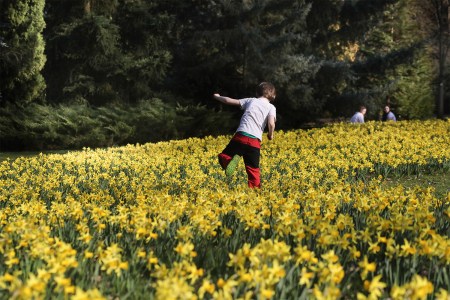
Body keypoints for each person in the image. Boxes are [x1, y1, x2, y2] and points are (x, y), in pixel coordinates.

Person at [213, 82, 276, 188]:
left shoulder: (251, 100)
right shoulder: (271, 107)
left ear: (257, 93)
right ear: (273, 96)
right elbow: (271, 123)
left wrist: (218, 97)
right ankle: (255, 191)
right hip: (254, 142)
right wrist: (271, 134)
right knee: (253, 170)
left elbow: (228, 100)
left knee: (225, 156)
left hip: (241, 136)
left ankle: (229, 162)